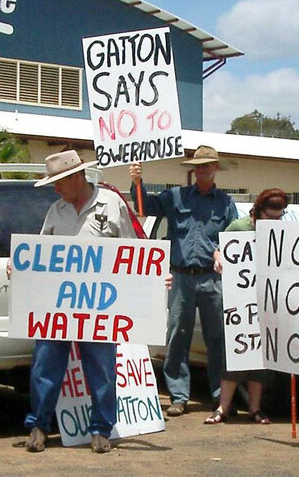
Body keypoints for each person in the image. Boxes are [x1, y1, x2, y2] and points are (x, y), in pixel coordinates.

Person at [19, 149, 137, 453]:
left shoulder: (111, 204)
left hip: (99, 305)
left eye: (59, 182)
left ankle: (100, 429)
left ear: (76, 177)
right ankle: (39, 425)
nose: (55, 189)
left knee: (102, 367)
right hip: (57, 305)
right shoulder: (56, 211)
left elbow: (132, 251)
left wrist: (151, 280)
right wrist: (20, 264)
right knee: (45, 365)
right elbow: (41, 251)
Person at [129, 145, 237, 417]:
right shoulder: (175, 196)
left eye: (208, 165)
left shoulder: (226, 203)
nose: (203, 170)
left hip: (213, 279)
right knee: (177, 336)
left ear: (215, 169)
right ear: (194, 169)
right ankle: (178, 396)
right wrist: (137, 182)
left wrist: (224, 250)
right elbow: (145, 208)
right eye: (199, 166)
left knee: (218, 339)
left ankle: (218, 396)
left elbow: (236, 238)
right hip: (180, 277)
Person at [204, 188, 288, 426]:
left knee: (259, 359)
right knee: (233, 355)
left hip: (265, 301)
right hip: (238, 302)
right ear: (259, 211)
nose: (274, 222)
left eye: (278, 217)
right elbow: (220, 247)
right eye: (270, 217)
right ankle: (223, 407)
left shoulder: (282, 231)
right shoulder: (240, 227)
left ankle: (255, 408)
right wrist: (218, 257)